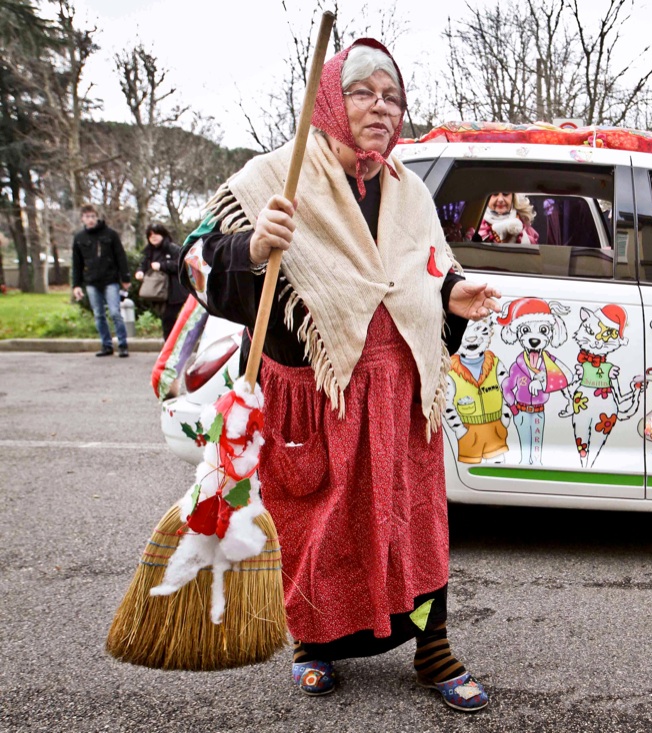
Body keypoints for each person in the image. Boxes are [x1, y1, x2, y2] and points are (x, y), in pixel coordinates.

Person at [178, 39, 498, 711]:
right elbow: (197, 265)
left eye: (393, 96)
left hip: (399, 393)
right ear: (330, 98)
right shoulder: (274, 178)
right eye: (364, 92)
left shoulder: (408, 191)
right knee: (316, 527)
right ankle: (313, 642)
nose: (381, 107)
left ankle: (431, 644)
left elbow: (427, 270)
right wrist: (252, 246)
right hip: (313, 397)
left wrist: (454, 293)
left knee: (414, 523)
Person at [71, 204, 130, 357]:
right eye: (87, 217)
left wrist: (125, 278)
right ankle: (106, 345)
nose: (90, 220)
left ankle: (123, 345)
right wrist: (76, 285)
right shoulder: (79, 238)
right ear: (82, 219)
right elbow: (77, 263)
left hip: (110, 279)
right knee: (99, 314)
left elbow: (120, 256)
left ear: (96, 217)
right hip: (91, 281)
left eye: (92, 216)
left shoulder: (110, 234)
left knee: (115, 312)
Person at [134, 223, 187, 340]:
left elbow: (181, 265)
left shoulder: (173, 249)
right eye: (150, 235)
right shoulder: (149, 252)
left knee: (170, 320)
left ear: (163, 234)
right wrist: (140, 271)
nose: (153, 237)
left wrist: (163, 265)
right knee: (166, 320)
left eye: (156, 233)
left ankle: (171, 347)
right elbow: (143, 264)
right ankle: (169, 346)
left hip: (174, 293)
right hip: (159, 294)